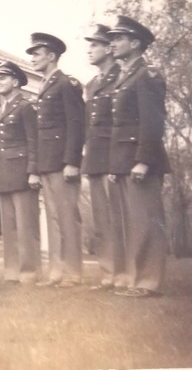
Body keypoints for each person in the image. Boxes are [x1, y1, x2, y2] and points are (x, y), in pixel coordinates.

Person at [107, 16, 170, 298]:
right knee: (133, 223)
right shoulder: (125, 75)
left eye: (119, 38)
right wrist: (115, 164)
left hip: (140, 159)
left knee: (145, 221)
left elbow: (153, 121)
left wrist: (143, 159)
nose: (113, 43)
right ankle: (138, 280)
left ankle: (148, 282)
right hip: (124, 159)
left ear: (135, 43)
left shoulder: (148, 75)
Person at [27, 32, 85, 288]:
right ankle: (56, 273)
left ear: (51, 56)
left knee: (67, 218)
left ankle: (73, 273)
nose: (32, 59)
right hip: (48, 163)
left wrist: (72, 161)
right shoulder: (45, 85)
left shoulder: (66, 84)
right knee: (52, 218)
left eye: (36, 54)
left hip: (63, 163)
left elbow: (76, 123)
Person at [81, 24, 125, 291]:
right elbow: (89, 125)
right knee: (101, 220)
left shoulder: (121, 77)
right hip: (96, 158)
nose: (90, 50)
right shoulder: (92, 84)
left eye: (95, 45)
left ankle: (124, 272)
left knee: (118, 218)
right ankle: (109, 273)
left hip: (116, 156)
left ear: (109, 48)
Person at [0, 61, 41, 285]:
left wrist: (33, 171)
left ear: (15, 81)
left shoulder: (26, 106)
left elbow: (34, 141)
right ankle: (11, 271)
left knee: (25, 226)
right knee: (9, 228)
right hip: (4, 172)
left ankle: (29, 272)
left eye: (3, 77)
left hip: (22, 173)